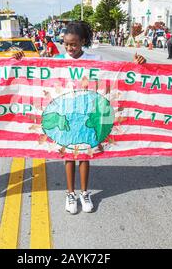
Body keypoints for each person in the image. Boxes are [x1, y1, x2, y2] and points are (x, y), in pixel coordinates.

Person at [13, 21, 146, 215]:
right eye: (66, 44)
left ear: (83, 41)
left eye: (74, 44)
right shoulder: (57, 60)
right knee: (69, 156)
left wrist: (136, 64)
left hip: (87, 114)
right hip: (67, 114)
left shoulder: (96, 58)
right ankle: (70, 193)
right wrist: (19, 59)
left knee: (84, 155)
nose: (69, 48)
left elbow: (117, 74)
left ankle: (84, 193)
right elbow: (34, 70)